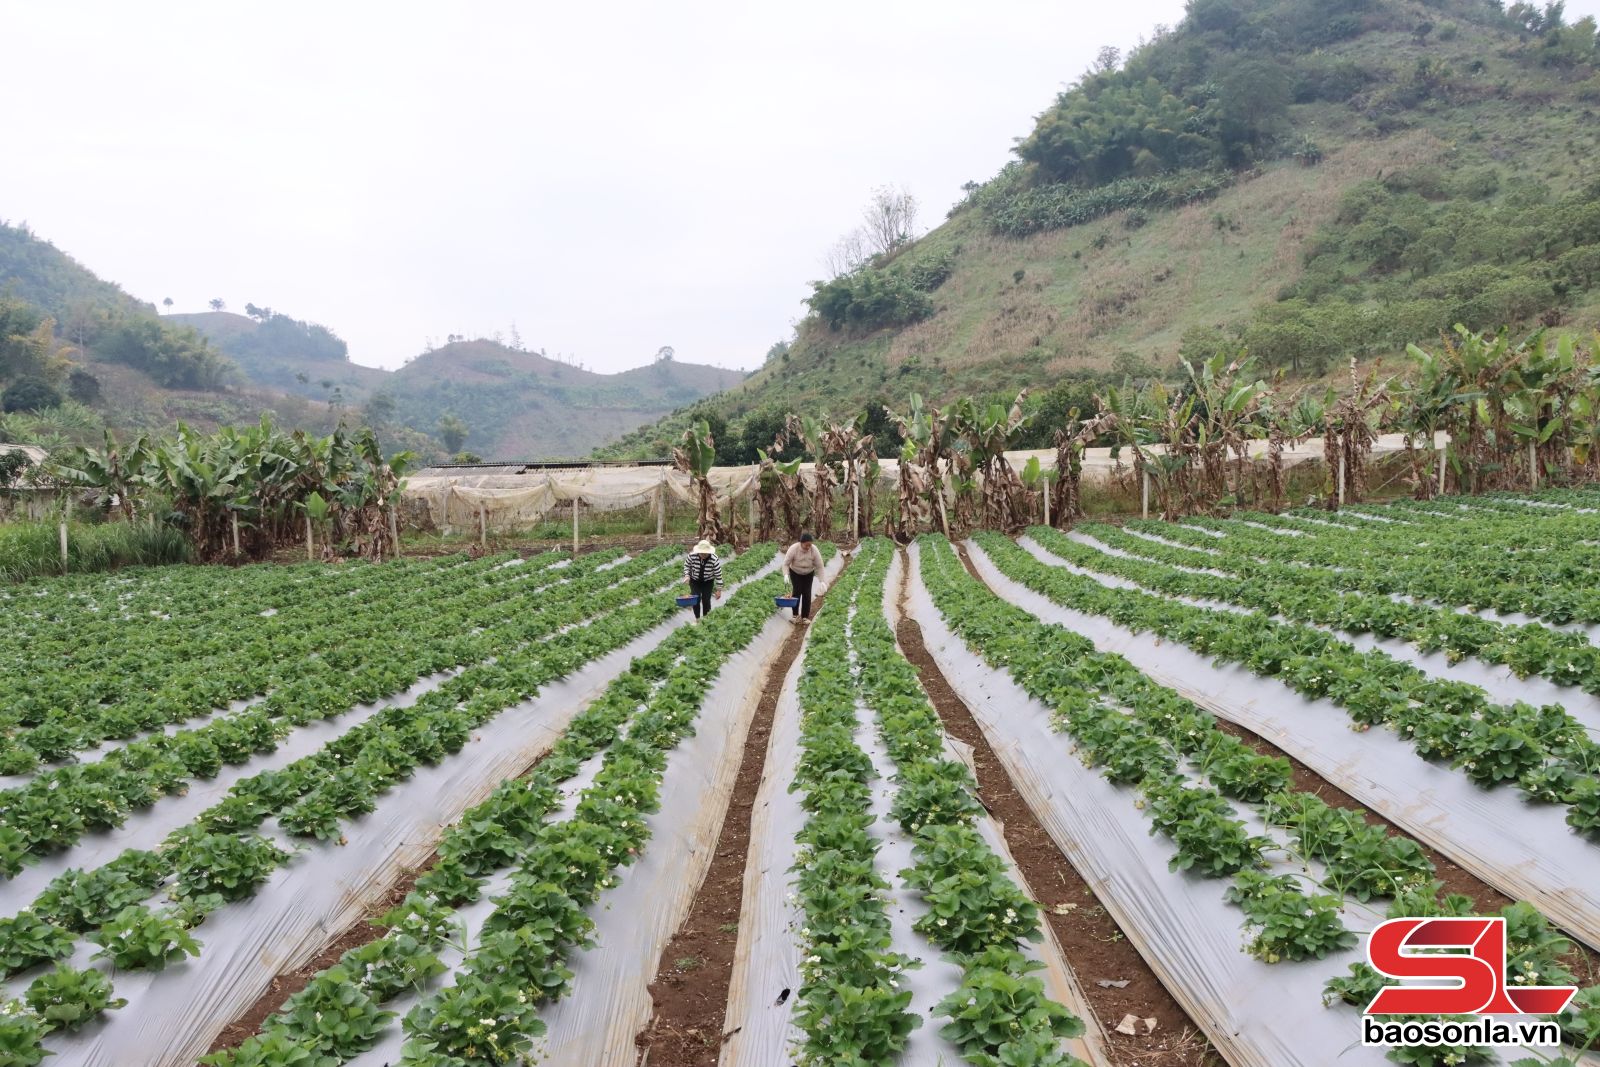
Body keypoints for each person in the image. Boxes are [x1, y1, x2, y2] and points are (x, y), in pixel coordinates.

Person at [783, 532, 823, 623]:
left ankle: (805, 617)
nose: (808, 547)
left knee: (807, 593)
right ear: (801, 543)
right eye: (806, 545)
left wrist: (822, 581)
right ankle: (795, 616)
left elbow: (820, 566)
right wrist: (786, 574)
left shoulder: (814, 550)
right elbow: (785, 564)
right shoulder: (793, 549)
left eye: (810, 545)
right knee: (797, 592)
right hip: (795, 572)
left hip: (809, 573)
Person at [683, 539, 723, 619]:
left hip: (708, 582)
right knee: (696, 599)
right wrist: (687, 575)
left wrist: (719, 590)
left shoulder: (714, 559)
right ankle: (697, 618)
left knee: (706, 600)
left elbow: (718, 574)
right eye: (701, 553)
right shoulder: (692, 556)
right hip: (694, 581)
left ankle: (706, 619)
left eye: (705, 553)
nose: (703, 555)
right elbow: (687, 566)